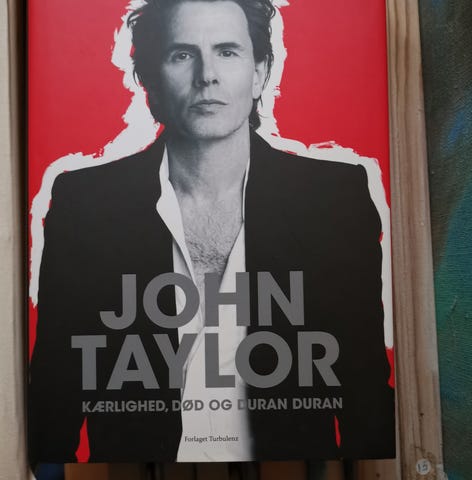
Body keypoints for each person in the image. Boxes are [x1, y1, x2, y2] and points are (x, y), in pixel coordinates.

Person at [29, 0, 395, 464]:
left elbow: (365, 393)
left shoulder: (333, 200)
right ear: (149, 79)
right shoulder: (86, 205)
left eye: (227, 51)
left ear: (260, 73)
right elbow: (55, 393)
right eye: (182, 54)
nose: (207, 76)